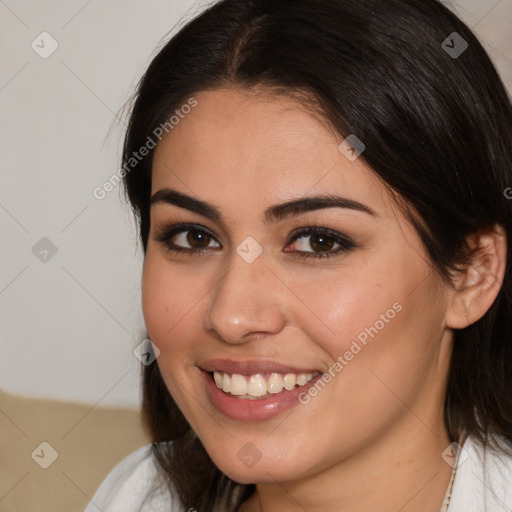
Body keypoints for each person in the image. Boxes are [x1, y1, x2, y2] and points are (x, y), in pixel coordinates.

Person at [84, 0, 512, 510]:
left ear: (471, 273)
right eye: (194, 237)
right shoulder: (134, 495)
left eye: (318, 241)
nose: (232, 315)